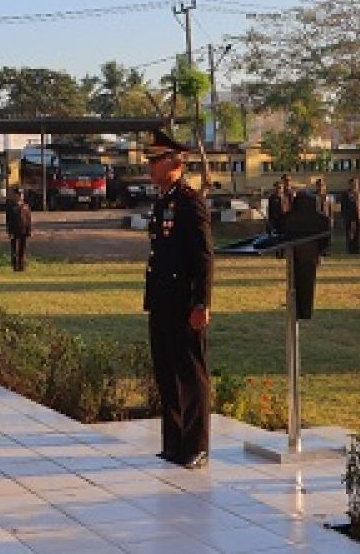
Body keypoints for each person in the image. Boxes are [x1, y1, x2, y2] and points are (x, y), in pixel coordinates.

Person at [142, 128, 214, 470]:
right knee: (166, 372)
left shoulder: (189, 201)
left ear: (174, 163)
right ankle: (174, 441)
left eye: (156, 160)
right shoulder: (164, 201)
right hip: (162, 301)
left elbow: (204, 257)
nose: (150, 166)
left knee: (190, 374)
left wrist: (201, 303)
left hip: (184, 302)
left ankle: (196, 445)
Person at [4, 187, 32, 271]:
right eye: (18, 194)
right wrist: (9, 231)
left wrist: (29, 230)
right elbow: (8, 220)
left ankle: (21, 265)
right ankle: (15, 265)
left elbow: (28, 219)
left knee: (22, 249)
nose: (20, 196)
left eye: (21, 194)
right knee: (14, 249)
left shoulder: (26, 206)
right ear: (15, 195)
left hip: (23, 230)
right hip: (14, 230)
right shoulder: (11, 207)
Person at [342, 177, 360, 255]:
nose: (355, 185)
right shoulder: (346, 194)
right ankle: (350, 249)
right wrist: (346, 217)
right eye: (353, 184)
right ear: (350, 184)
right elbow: (344, 206)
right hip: (350, 217)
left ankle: (356, 248)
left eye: (356, 183)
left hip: (358, 216)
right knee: (350, 233)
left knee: (357, 233)